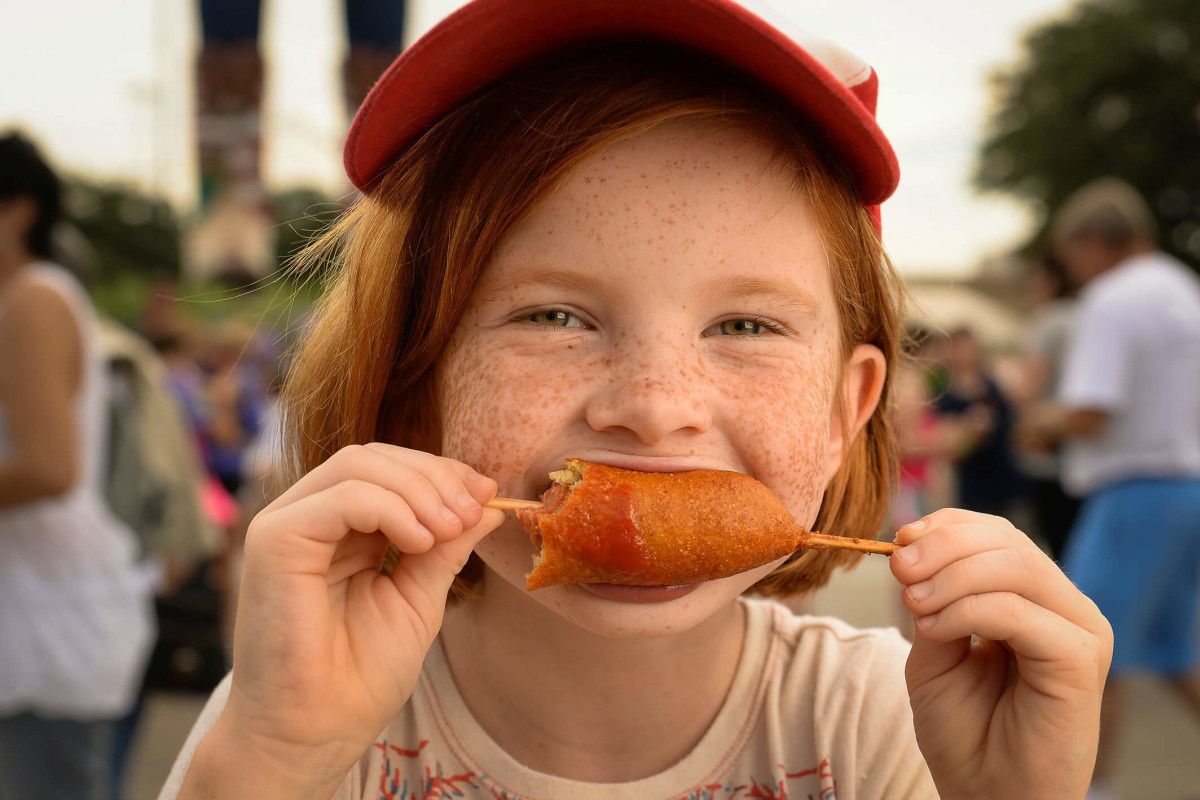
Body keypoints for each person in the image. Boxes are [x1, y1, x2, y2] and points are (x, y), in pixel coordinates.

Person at [161, 2, 1113, 799]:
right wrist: (271, 763)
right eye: (554, 315)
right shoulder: (300, 710)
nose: (656, 409)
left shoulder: (890, 727)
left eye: (746, 326)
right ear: (415, 387)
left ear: (843, 411)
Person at [1024, 177, 1200, 800]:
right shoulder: (1182, 288)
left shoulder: (1113, 298)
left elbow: (1094, 408)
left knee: (1086, 649)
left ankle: (1090, 793)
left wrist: (1041, 421)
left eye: (1070, 255)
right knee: (1179, 654)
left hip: (1133, 496)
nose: (1069, 270)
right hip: (1187, 490)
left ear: (1093, 242)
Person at [0, 132, 155, 799]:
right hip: (49, 618)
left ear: (17, 210)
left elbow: (49, 467)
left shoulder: (31, 301)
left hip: (52, 627)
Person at [1015, 255, 1082, 562]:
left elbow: (1031, 385)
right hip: (1086, 450)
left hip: (1050, 448)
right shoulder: (1086, 314)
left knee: (1059, 552)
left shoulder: (1048, 320)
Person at [934, 327, 1025, 517]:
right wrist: (967, 428)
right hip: (971, 485)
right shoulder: (944, 396)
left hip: (1003, 478)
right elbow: (945, 443)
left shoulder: (993, 386)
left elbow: (1011, 424)